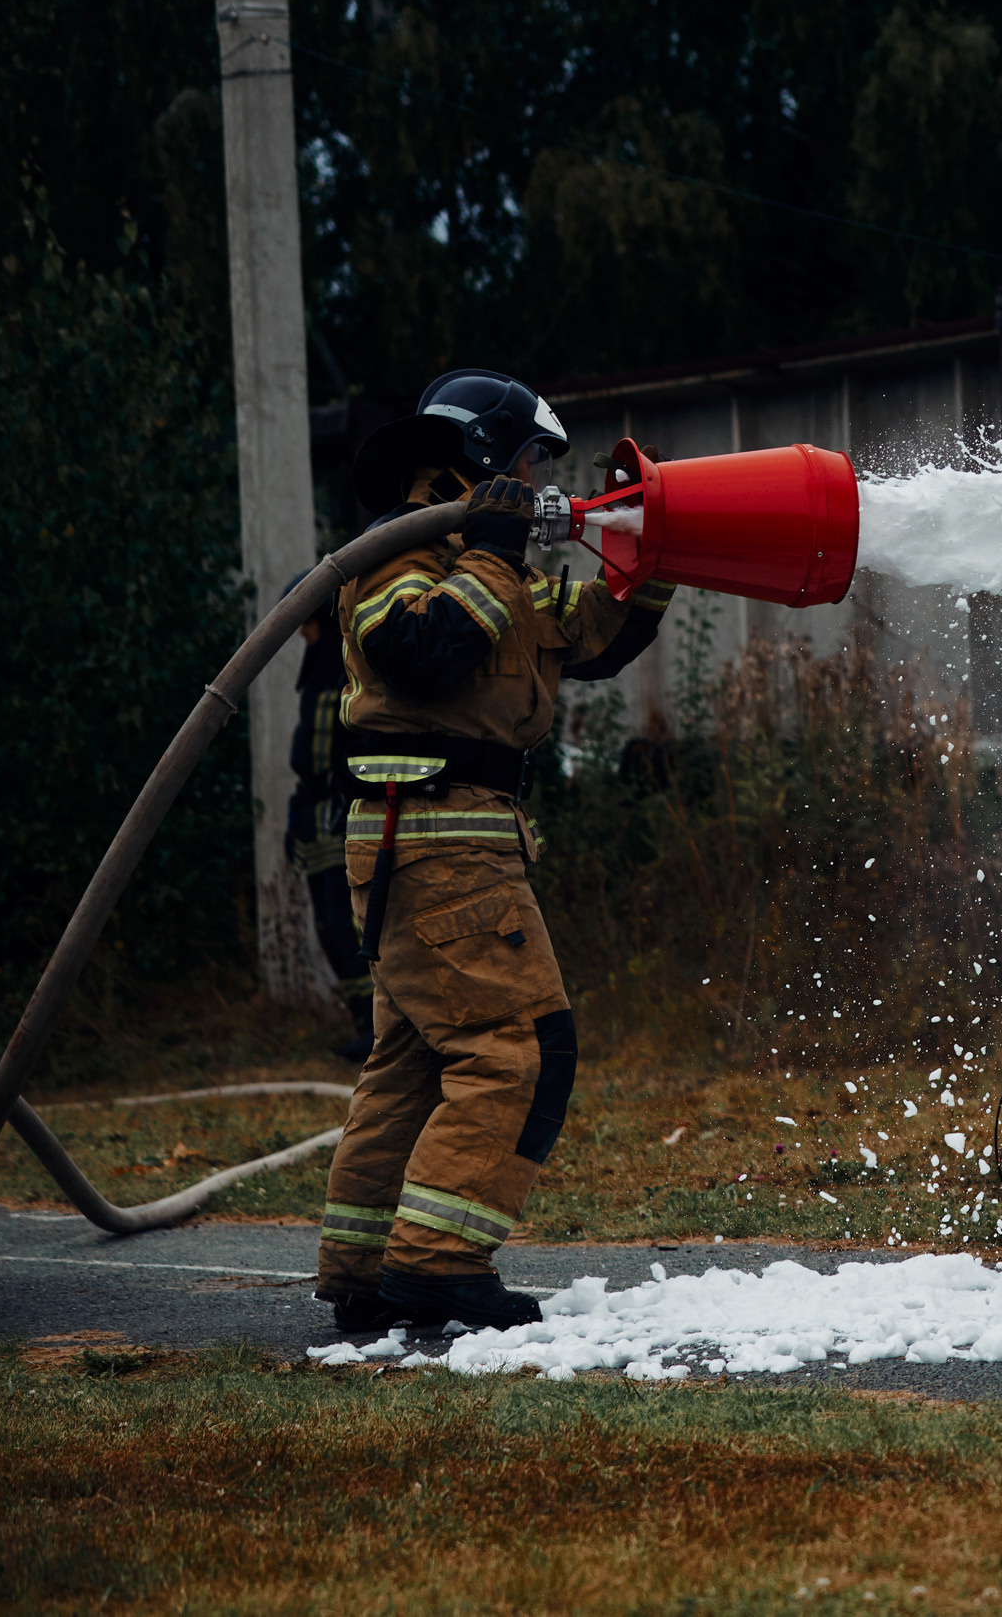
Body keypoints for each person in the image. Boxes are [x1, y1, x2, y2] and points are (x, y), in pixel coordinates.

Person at [317, 369, 675, 1335]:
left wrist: (651, 562)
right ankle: (435, 1263)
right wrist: (491, 550)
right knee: (518, 1047)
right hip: (439, 842)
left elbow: (582, 639)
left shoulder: (481, 560)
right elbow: (416, 650)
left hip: (434, 844)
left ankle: (364, 1264)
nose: (543, 479)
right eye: (532, 459)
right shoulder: (403, 554)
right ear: (483, 455)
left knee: (415, 1059)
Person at [284, 586, 373, 1059]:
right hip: (314, 817)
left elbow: (350, 749)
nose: (303, 633)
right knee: (327, 926)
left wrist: (347, 795)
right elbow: (307, 757)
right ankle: (362, 1023)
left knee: (347, 924)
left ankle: (379, 1026)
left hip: (341, 816)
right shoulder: (312, 678)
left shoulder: (346, 671)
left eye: (308, 623)